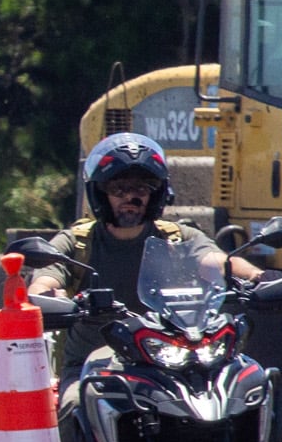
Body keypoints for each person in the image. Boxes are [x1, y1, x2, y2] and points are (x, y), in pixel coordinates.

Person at [27, 133, 259, 365]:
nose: (130, 196)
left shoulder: (177, 238)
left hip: (169, 363)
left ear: (155, 194)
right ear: (100, 194)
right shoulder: (76, 242)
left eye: (141, 189)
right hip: (92, 367)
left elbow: (216, 261)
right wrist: (50, 297)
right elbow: (44, 282)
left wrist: (256, 276)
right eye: (118, 189)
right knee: (76, 391)